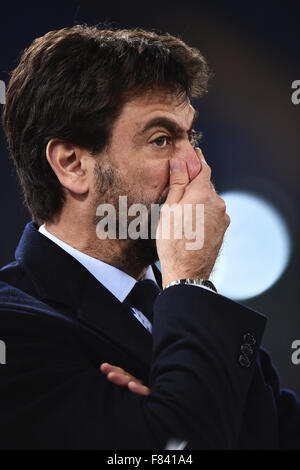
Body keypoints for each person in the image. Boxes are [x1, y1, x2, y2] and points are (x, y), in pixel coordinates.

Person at [0, 25, 299, 450]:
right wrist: (190, 282)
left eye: (190, 136)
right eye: (161, 139)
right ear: (72, 165)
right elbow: (177, 450)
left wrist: (170, 412)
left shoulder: (192, 313)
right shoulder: (13, 328)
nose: (195, 166)